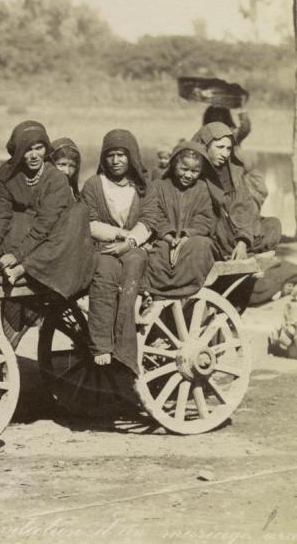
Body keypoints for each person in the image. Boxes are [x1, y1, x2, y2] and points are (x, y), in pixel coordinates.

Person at [0, 120, 94, 330]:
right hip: (17, 230)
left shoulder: (56, 179)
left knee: (75, 215)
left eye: (39, 148)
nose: (33, 155)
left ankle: (23, 269)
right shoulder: (8, 173)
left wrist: (18, 255)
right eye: (27, 150)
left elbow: (46, 223)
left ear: (46, 149)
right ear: (17, 152)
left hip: (45, 240)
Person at [80, 129, 150, 371]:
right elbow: (88, 222)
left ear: (131, 157)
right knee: (104, 272)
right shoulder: (93, 185)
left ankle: (125, 347)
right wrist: (120, 235)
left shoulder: (141, 187)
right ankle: (102, 344)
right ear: (103, 158)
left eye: (121, 155)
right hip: (105, 245)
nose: (116, 161)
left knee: (135, 264)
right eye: (110, 155)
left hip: (133, 246)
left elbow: (150, 219)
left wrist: (130, 241)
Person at [191, 121, 281, 260]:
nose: (225, 154)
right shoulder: (193, 173)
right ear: (205, 145)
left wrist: (242, 241)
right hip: (212, 231)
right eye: (220, 147)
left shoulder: (232, 173)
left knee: (273, 224)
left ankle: (240, 251)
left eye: (228, 148)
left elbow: (243, 207)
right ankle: (229, 254)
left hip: (235, 231)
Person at [139, 141, 218, 299]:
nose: (189, 175)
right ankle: (156, 292)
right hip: (164, 238)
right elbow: (154, 214)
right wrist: (168, 236)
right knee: (157, 254)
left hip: (191, 239)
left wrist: (186, 236)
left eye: (195, 171)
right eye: (184, 169)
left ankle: (185, 290)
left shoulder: (202, 189)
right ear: (174, 165)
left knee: (201, 247)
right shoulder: (158, 186)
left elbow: (205, 217)